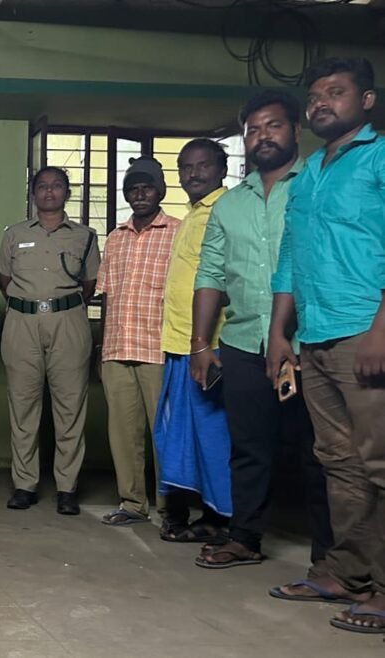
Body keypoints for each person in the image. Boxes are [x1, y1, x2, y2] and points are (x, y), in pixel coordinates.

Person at [191, 90, 334, 572]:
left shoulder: (317, 186)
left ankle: (331, 556)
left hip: (310, 342)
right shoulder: (230, 205)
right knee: (249, 449)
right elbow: (210, 274)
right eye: (253, 129)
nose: (262, 136)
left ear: (296, 130)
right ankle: (245, 537)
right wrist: (201, 344)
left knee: (319, 452)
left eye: (272, 126)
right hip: (243, 343)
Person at [266, 57, 385, 634]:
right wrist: (278, 334)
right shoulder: (310, 171)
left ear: (365, 100)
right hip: (312, 336)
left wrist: (382, 329)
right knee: (339, 464)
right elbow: (290, 258)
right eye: (314, 96)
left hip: (366, 331)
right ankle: (348, 573)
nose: (320, 104)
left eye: (334, 93)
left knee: (380, 464)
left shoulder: (381, 157)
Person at [0, 166, 99, 516]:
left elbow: (89, 285)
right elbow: (4, 281)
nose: (49, 192)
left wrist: (57, 305)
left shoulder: (84, 236)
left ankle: (67, 488)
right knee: (23, 407)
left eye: (57, 186)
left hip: (68, 320)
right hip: (21, 321)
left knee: (70, 407)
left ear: (67, 192)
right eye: (43, 186)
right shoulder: (14, 234)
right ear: (33, 193)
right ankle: (24, 485)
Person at [151, 139, 232, 543]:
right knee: (180, 433)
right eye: (186, 167)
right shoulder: (194, 216)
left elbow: (221, 280)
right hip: (181, 344)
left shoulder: (225, 211)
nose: (193, 174)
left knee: (213, 435)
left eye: (203, 166)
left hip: (207, 346)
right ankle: (200, 515)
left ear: (222, 168)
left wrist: (203, 344)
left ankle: (225, 520)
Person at [97, 156, 182, 526]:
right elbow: (106, 296)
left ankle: (170, 508)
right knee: (123, 432)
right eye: (133, 188)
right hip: (117, 347)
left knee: (163, 434)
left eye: (146, 187)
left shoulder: (178, 232)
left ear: (160, 191)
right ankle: (132, 503)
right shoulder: (115, 237)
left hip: (158, 349)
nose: (140, 194)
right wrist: (99, 348)